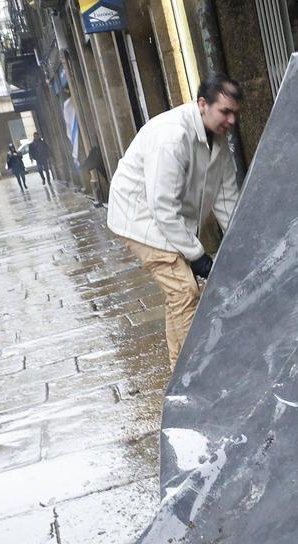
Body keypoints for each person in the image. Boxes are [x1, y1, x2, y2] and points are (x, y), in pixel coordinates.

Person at [107, 73, 242, 364]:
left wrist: (240, 246)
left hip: (167, 216)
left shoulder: (218, 140)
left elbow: (226, 198)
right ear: (202, 104)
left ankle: (177, 373)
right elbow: (162, 207)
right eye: (225, 112)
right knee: (184, 289)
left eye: (235, 113)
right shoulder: (172, 137)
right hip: (139, 215)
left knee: (178, 293)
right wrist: (198, 256)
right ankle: (195, 375)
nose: (231, 120)